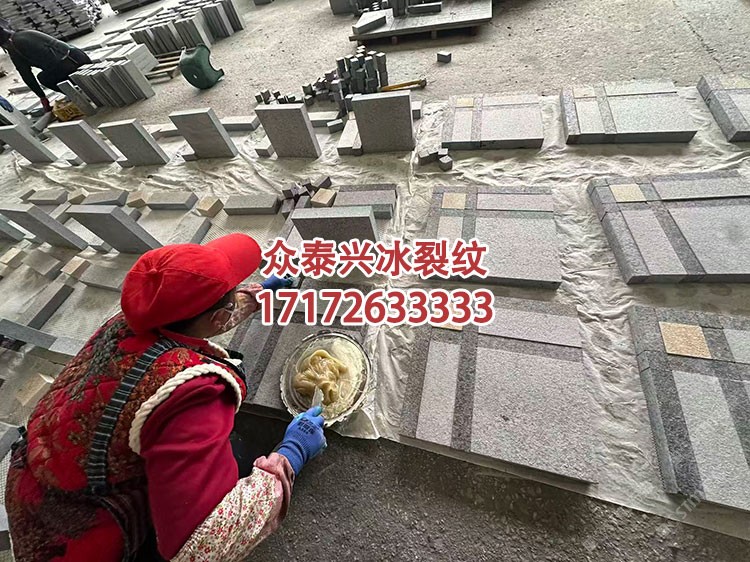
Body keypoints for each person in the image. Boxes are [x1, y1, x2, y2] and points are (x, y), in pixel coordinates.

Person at [5, 233, 327, 561]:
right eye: (231, 295)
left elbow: (200, 318)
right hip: (81, 541)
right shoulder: (192, 393)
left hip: (38, 485)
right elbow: (202, 543)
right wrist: (290, 456)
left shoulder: (132, 320)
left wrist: (254, 296)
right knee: (238, 460)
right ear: (217, 316)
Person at [0, 19, 92, 113]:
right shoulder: (24, 32)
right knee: (54, 68)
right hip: (81, 57)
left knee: (43, 78)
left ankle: (78, 96)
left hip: (70, 67)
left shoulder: (14, 48)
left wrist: (42, 97)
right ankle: (84, 89)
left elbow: (27, 76)